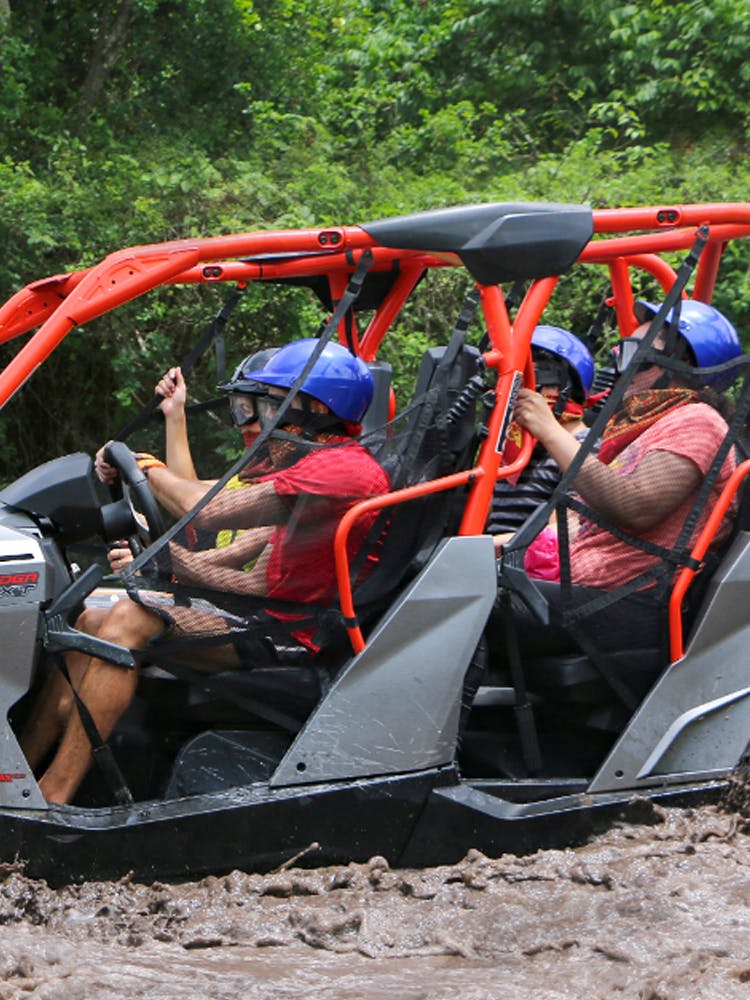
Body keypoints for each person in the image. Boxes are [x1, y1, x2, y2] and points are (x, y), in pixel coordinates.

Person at [21, 338, 390, 804]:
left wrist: (141, 465)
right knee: (93, 621)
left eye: (269, 404)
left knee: (130, 619)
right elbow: (248, 574)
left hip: (292, 637)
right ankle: (16, 783)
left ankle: (53, 796)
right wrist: (167, 562)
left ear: (313, 407)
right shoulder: (313, 466)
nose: (257, 418)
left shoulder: (342, 471)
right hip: (268, 617)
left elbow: (205, 510)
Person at [493, 299, 743, 657]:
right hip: (589, 592)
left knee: (470, 607)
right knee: (456, 584)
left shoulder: (697, 421)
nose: (619, 361)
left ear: (681, 362)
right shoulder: (644, 430)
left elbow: (635, 507)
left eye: (634, 351)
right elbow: (584, 523)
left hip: (627, 603)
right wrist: (502, 545)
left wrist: (550, 431)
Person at [487, 325, 595, 578]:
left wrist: (479, 549)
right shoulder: (513, 447)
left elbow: (562, 536)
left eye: (530, 381)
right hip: (491, 568)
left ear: (560, 390)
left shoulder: (585, 447)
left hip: (532, 577)